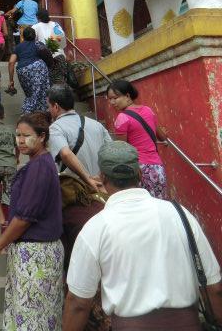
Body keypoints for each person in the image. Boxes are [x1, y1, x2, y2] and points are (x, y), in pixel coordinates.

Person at [63, 140, 222, 331]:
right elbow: (214, 287)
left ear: (102, 177)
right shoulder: (180, 214)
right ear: (139, 174)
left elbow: (78, 303)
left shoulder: (95, 228)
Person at [0, 112, 64, 331]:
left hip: (36, 255)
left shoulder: (40, 167)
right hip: (34, 253)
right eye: (18, 135)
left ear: (41, 136)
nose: (20, 140)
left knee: (33, 319)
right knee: (32, 316)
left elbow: (25, 218)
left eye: (26, 136)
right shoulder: (39, 163)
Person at [48, 85, 112, 331]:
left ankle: (85, 314)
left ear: (55, 106)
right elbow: (109, 153)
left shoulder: (56, 128)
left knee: (79, 260)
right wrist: (101, 179)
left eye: (49, 105)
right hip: (101, 198)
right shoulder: (95, 125)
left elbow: (65, 155)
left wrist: (86, 178)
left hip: (75, 199)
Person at [107, 79, 168, 199]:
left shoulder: (122, 118)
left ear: (127, 96)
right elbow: (162, 136)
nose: (112, 102)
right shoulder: (148, 110)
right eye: (109, 99)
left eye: (115, 98)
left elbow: (122, 151)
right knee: (158, 204)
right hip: (157, 168)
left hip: (138, 171)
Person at [8, 27, 50, 113]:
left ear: (23, 36)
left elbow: (11, 62)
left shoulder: (18, 47)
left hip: (22, 70)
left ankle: (34, 114)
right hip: (38, 68)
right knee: (41, 93)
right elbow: (47, 55)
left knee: (30, 94)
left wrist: (11, 80)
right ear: (35, 36)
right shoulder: (38, 44)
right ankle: (30, 113)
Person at [32, 8, 68, 86]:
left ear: (38, 17)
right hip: (60, 56)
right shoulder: (55, 24)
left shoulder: (35, 27)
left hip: (46, 59)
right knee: (61, 81)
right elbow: (62, 40)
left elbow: (32, 42)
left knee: (50, 83)